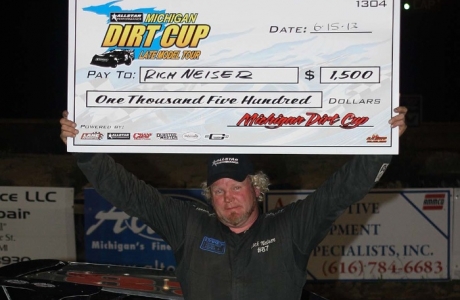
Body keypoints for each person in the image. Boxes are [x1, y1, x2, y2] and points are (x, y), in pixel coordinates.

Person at [60, 107, 407, 300]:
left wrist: (383, 143)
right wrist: (85, 150)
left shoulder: (290, 228)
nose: (228, 198)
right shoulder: (189, 226)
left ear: (256, 189)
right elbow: (129, 193)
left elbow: (341, 190)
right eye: (219, 191)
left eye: (236, 187)